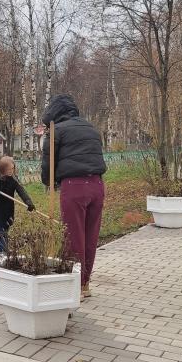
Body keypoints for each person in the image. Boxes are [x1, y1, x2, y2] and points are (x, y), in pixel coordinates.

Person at [41, 94, 107, 297]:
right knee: (90, 237)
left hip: (74, 187)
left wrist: (48, 182)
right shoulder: (91, 128)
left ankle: (74, 287)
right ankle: (84, 284)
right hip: (97, 185)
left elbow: (48, 163)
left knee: (73, 237)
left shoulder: (56, 130)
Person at [0, 156, 36, 255]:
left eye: (13, 168)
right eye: (10, 169)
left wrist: (28, 202)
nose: (12, 170)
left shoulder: (13, 178)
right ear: (2, 169)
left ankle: (2, 252)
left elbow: (21, 190)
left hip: (5, 210)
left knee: (2, 231)